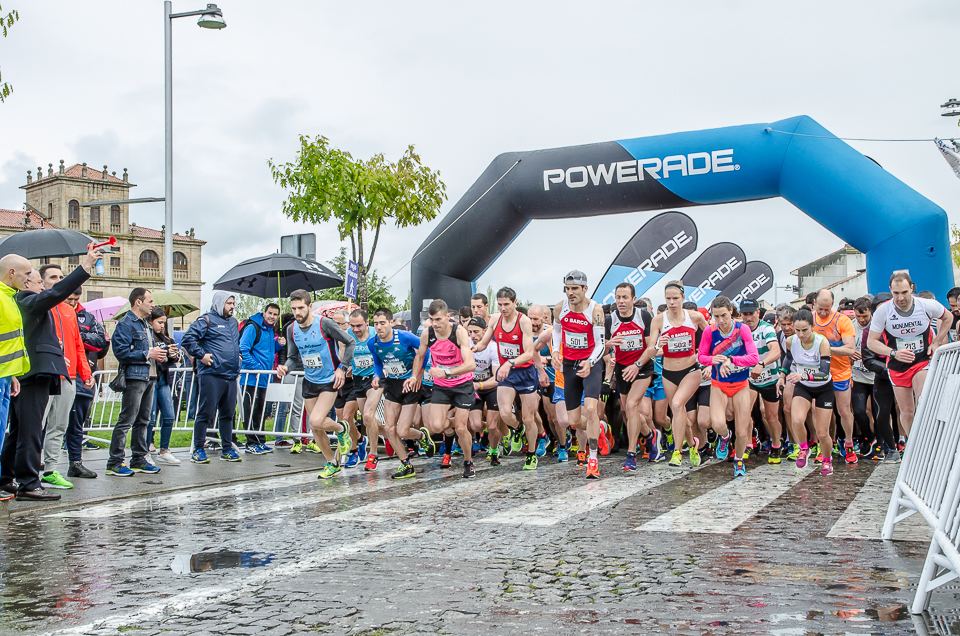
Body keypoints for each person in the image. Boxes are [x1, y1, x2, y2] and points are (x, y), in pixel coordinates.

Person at [0, 245, 101, 501]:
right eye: (37, 280)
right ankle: (28, 483)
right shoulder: (24, 298)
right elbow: (56, 293)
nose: (46, 286)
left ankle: (7, 479)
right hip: (32, 373)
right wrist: (85, 267)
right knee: (31, 431)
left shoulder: (23, 300)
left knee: (22, 430)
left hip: (28, 373)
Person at [276, 290, 355, 479]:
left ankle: (342, 429)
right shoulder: (291, 329)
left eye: (301, 308)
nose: (297, 312)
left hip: (330, 379)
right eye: (294, 308)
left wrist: (342, 368)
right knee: (315, 427)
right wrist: (285, 368)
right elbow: (292, 358)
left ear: (310, 306)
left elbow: (350, 342)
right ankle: (331, 462)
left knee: (316, 420)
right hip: (310, 380)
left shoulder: (324, 323)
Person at [867, 271, 950, 440]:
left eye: (904, 292)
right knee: (906, 411)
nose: (901, 298)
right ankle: (915, 443)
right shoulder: (883, 311)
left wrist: (937, 342)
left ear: (911, 288)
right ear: (890, 290)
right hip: (898, 365)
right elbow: (871, 342)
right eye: (896, 293)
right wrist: (893, 352)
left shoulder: (925, 305)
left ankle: (931, 439)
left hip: (922, 360)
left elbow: (948, 317)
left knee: (923, 399)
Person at [38, 265, 94, 489]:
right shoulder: (39, 306)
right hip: (44, 374)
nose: (59, 280)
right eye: (53, 277)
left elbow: (78, 346)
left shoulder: (70, 311)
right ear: (43, 282)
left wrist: (85, 373)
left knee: (59, 425)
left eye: (62, 277)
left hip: (68, 376)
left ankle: (50, 470)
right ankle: (29, 470)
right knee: (36, 425)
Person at [475, 287, 542, 471]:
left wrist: (510, 362)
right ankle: (517, 429)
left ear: (514, 302)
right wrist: (475, 348)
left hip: (525, 372)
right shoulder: (496, 319)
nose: (503, 308)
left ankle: (531, 454)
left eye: (506, 304)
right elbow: (485, 341)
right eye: (500, 304)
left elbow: (529, 353)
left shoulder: (524, 322)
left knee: (529, 418)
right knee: (504, 413)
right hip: (508, 373)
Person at [411, 299, 477, 478]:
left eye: (439, 319)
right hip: (442, 386)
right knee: (435, 425)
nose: (435, 323)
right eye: (432, 319)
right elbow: (420, 356)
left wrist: (446, 372)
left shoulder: (459, 332)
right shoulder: (428, 334)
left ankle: (468, 461)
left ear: (448, 317)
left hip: (462, 384)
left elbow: (470, 365)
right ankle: (461, 424)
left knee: (462, 429)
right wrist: (413, 376)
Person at [552, 271, 608, 479]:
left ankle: (592, 459)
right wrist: (556, 351)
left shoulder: (596, 310)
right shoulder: (560, 308)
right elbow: (557, 332)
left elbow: (601, 344)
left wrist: (590, 362)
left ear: (585, 289)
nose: (570, 293)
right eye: (567, 288)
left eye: (575, 288)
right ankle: (599, 428)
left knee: (591, 409)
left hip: (591, 363)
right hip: (570, 365)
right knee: (573, 420)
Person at [650, 280, 712, 468]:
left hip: (690, 371)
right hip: (668, 373)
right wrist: (658, 345)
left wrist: (704, 356)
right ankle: (693, 446)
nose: (672, 302)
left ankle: (677, 452)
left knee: (677, 405)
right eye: (668, 299)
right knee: (680, 414)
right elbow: (651, 348)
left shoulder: (694, 317)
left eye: (675, 298)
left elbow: (712, 336)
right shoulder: (659, 320)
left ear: (683, 298)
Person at [106, 288, 167, 477]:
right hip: (135, 377)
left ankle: (139, 458)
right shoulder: (125, 324)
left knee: (143, 420)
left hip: (150, 376)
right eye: (149, 301)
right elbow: (121, 352)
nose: (153, 304)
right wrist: (147, 354)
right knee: (127, 419)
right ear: (138, 302)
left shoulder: (146, 325)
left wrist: (162, 355)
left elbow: (150, 350)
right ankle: (115, 462)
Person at [698, 296, 760, 477]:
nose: (721, 321)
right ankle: (724, 437)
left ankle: (739, 460)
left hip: (740, 384)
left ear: (731, 311)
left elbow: (754, 358)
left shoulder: (743, 329)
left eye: (723, 315)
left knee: (741, 432)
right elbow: (701, 356)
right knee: (717, 423)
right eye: (716, 317)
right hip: (719, 383)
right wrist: (712, 360)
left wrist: (731, 359)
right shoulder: (710, 331)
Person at [182, 291, 243, 463]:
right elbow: (188, 339)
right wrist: (201, 355)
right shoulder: (206, 320)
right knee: (206, 413)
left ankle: (227, 448)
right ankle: (198, 449)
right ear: (219, 303)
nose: (232, 307)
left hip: (230, 375)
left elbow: (235, 344)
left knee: (228, 414)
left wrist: (239, 358)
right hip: (211, 373)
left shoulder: (233, 322)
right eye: (229, 303)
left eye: (233, 303)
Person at [366, 308, 425, 479]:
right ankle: (406, 464)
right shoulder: (373, 343)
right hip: (392, 383)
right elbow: (377, 362)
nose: (379, 327)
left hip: (410, 384)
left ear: (391, 323)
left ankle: (421, 435)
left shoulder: (404, 337)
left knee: (403, 431)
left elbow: (425, 351)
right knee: (390, 428)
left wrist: (418, 374)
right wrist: (377, 376)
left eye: (383, 323)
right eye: (376, 324)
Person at [605, 282, 658, 471]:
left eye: (625, 297)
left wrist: (637, 365)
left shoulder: (643, 316)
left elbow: (651, 348)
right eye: (618, 297)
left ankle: (631, 454)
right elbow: (602, 347)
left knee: (631, 405)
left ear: (634, 299)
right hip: (622, 369)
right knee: (629, 412)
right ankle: (651, 436)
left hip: (642, 367)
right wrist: (609, 347)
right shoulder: (610, 320)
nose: (621, 301)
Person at [778, 308, 836, 476]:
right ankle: (804, 448)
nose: (801, 334)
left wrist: (803, 375)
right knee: (796, 420)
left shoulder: (822, 342)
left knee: (822, 433)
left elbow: (824, 372)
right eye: (798, 330)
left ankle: (827, 460)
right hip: (803, 386)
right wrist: (782, 376)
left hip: (823, 387)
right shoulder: (791, 341)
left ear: (812, 327)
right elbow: (788, 358)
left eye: (805, 330)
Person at [812, 289, 858, 464]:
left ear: (832, 305)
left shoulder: (842, 320)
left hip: (840, 373)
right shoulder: (811, 319)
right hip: (818, 374)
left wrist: (827, 350)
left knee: (844, 411)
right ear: (814, 304)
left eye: (827, 309)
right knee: (819, 410)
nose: (823, 313)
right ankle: (824, 446)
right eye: (820, 309)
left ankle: (848, 443)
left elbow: (850, 349)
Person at [66, 288, 108, 479]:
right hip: (60, 376)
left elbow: (101, 341)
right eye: (69, 298)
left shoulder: (88, 317)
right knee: (49, 424)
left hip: (83, 379)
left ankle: (75, 462)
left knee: (77, 424)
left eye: (76, 299)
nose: (72, 302)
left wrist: (76, 337)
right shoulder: (53, 312)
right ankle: (40, 465)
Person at [738, 299, 783, 463]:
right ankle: (750, 444)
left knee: (770, 416)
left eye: (751, 313)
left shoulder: (766, 328)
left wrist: (761, 364)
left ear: (758, 312)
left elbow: (776, 351)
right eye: (745, 314)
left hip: (770, 377)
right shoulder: (740, 330)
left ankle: (776, 446)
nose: (749, 317)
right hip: (749, 378)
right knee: (744, 412)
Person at [0, 254, 30, 501]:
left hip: (5, 376)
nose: (29, 278)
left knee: (2, 431)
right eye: (26, 273)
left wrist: (12, 375)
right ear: (12, 272)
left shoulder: (9, 298)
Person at [239, 303, 284, 454]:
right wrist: (256, 367)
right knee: (250, 411)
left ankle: (260, 441)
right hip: (251, 378)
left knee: (260, 411)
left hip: (264, 378)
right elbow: (243, 348)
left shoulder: (270, 330)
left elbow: (268, 350)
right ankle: (251, 442)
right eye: (270, 313)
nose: (272, 317)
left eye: (275, 314)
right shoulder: (253, 327)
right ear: (264, 313)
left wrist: (278, 345)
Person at [862, 293, 899, 462]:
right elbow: (868, 360)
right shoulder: (869, 331)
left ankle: (907, 443)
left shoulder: (902, 324)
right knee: (882, 414)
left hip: (905, 374)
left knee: (905, 411)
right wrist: (888, 370)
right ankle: (891, 448)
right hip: (884, 376)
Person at [145, 307, 183, 465]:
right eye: (159, 322)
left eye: (164, 323)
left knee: (169, 416)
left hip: (164, 381)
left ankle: (164, 450)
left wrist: (173, 356)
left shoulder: (167, 339)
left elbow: (168, 362)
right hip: (151, 380)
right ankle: (145, 450)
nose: (162, 326)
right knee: (150, 418)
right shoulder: (147, 337)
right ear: (151, 321)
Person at [347, 308, 383, 471]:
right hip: (357, 379)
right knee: (368, 420)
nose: (356, 329)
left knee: (368, 415)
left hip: (375, 378)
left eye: (359, 326)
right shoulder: (348, 334)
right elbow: (344, 351)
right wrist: (346, 365)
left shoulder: (376, 333)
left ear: (367, 323)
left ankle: (373, 454)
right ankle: (390, 434)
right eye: (353, 326)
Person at [467, 317, 504, 466]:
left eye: (476, 332)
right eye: (470, 332)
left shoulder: (492, 347)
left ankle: (494, 450)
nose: (473, 335)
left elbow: (497, 378)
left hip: (490, 387)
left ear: (484, 331)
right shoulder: (466, 345)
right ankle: (493, 435)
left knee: (492, 426)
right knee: (475, 426)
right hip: (473, 386)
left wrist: (479, 385)